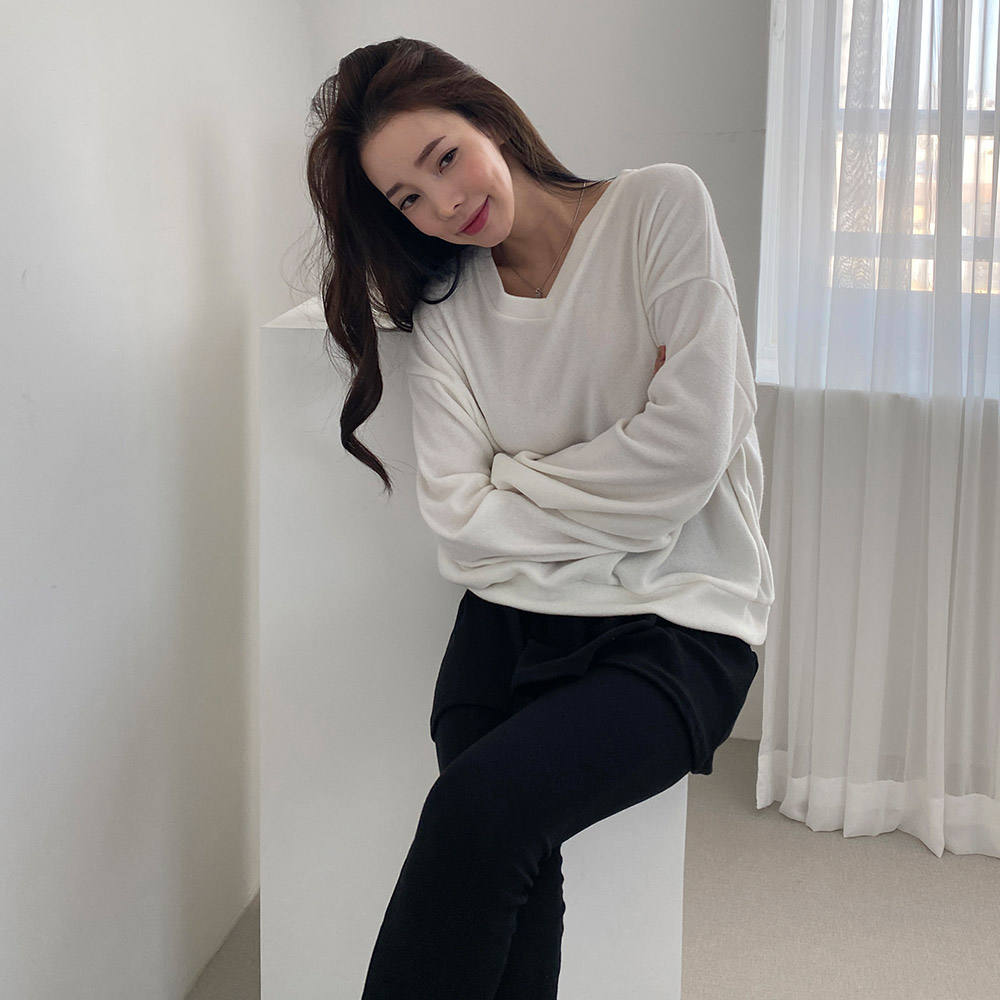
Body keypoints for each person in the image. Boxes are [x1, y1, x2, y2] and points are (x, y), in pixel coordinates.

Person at [304, 36, 774, 1000]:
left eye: (445, 157)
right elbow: (458, 514)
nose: (444, 204)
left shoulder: (658, 210)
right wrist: (628, 483)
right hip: (508, 628)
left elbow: (690, 453)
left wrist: (516, 476)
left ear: (490, 119)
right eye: (407, 198)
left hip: (679, 616)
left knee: (476, 819)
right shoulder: (449, 313)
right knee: (511, 863)